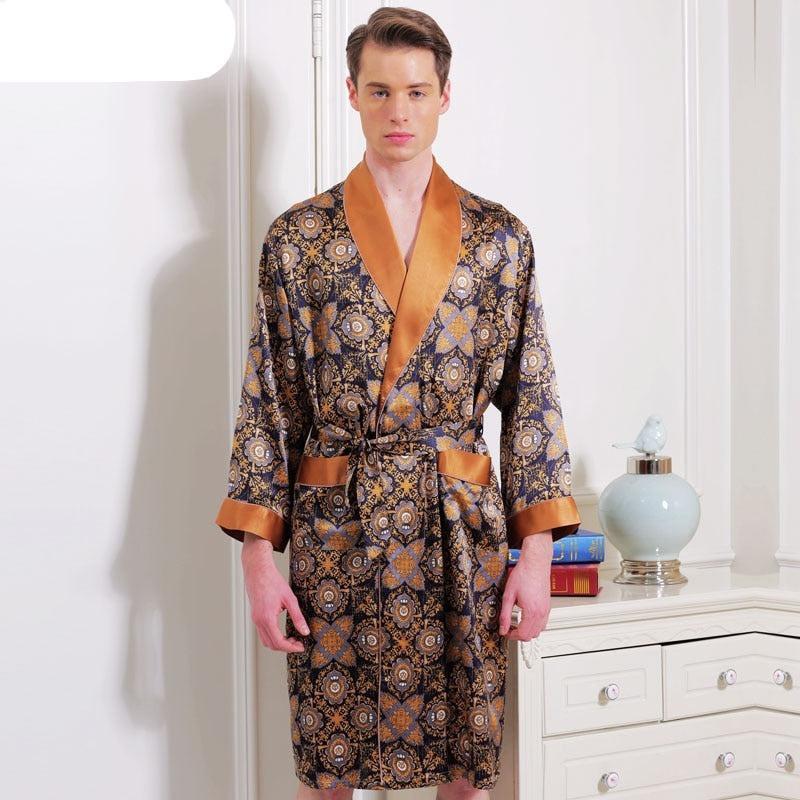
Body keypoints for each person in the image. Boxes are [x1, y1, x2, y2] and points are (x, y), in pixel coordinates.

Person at [214, 6, 580, 799]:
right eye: (380, 91)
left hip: (459, 530)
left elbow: (532, 401)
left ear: (445, 96)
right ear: (351, 93)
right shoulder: (297, 239)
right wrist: (257, 562)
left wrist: (538, 560)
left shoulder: (499, 239)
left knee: (466, 766)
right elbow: (268, 402)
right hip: (335, 529)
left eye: (416, 92)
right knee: (329, 766)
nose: (398, 112)